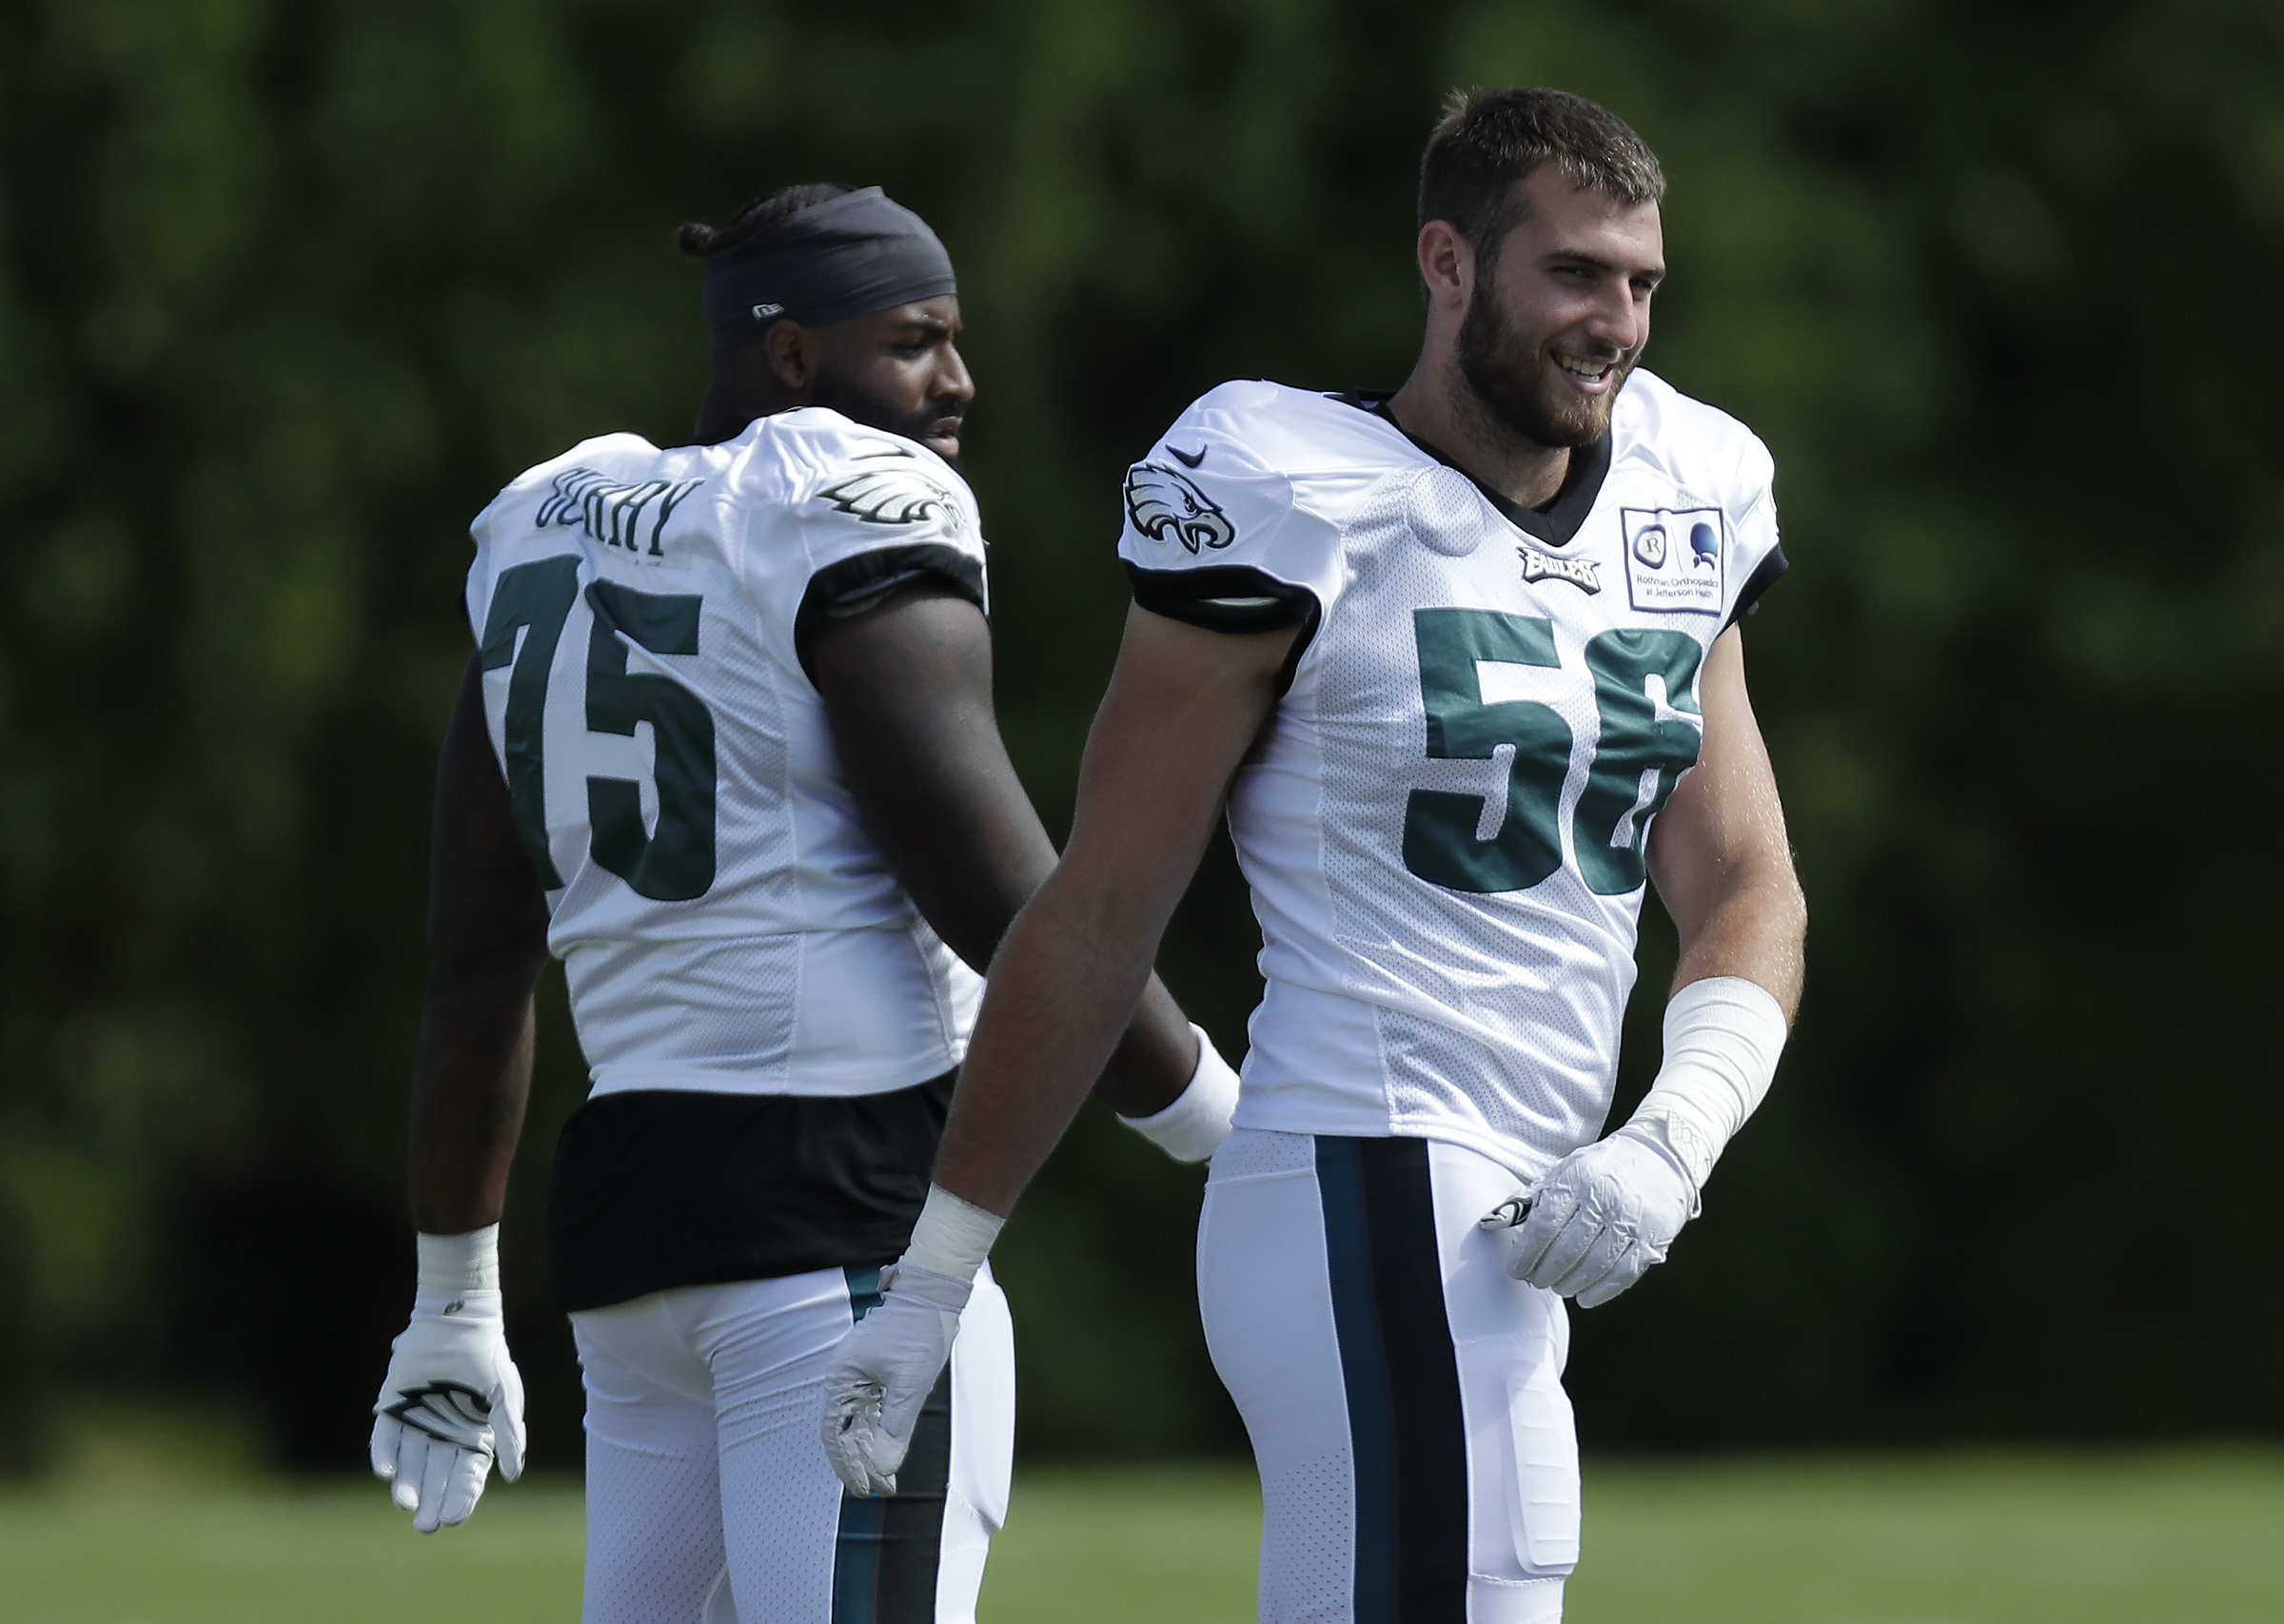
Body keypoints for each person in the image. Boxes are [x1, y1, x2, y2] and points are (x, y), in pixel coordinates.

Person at [819, 89, 1808, 1624]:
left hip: (1525, 1194)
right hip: (1367, 1167)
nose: (1615, 322)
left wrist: (1677, 1134)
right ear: (1448, 264)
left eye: (1641, 282)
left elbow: (1747, 885)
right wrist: (941, 1263)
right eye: (1573, 274)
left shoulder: (1694, 484)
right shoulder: (1288, 485)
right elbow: (1099, 909)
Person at [366, 182, 1235, 1624]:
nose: (957, 380)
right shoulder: (838, 495)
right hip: (835, 1213)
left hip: (636, 1233)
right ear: (792, 358)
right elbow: (996, 882)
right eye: (917, 341)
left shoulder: (547, 530)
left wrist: (453, 1291)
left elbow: (475, 958)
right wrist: (1217, 1121)